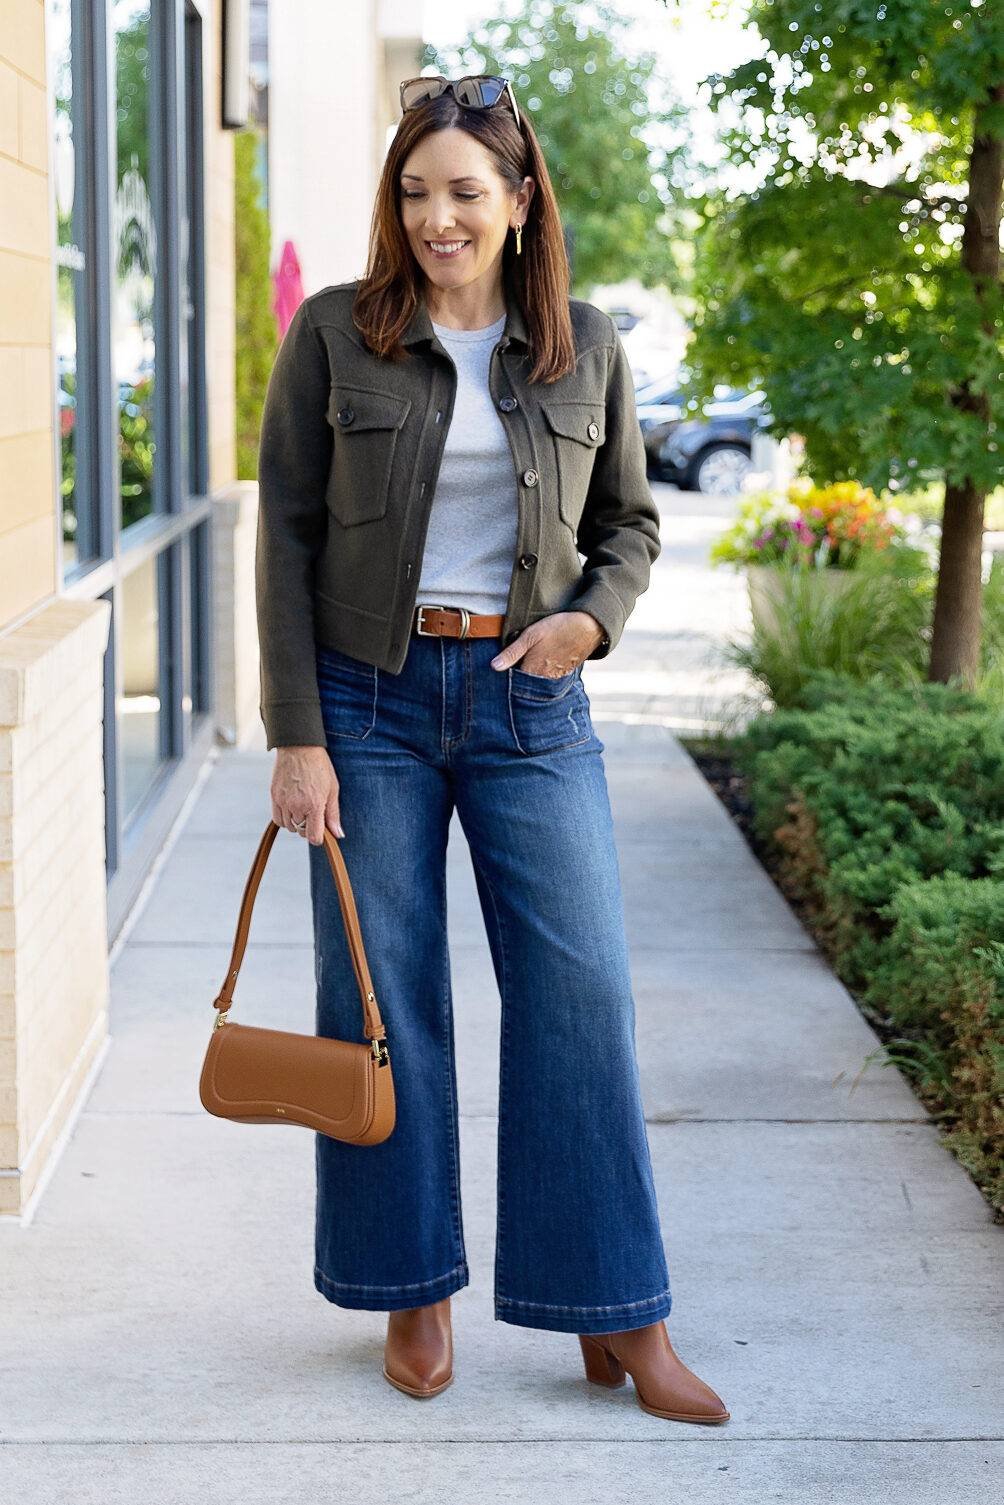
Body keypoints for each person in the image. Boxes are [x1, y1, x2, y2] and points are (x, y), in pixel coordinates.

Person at [254, 73, 729, 1424]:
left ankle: (618, 1314)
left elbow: (630, 526)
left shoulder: (586, 343)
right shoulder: (336, 335)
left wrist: (592, 621)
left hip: (532, 704)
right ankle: (414, 1283)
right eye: (415, 192)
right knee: (381, 1002)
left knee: (582, 998)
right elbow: (282, 537)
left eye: (465, 191)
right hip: (369, 704)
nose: (437, 216)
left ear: (521, 204)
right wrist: (298, 734)